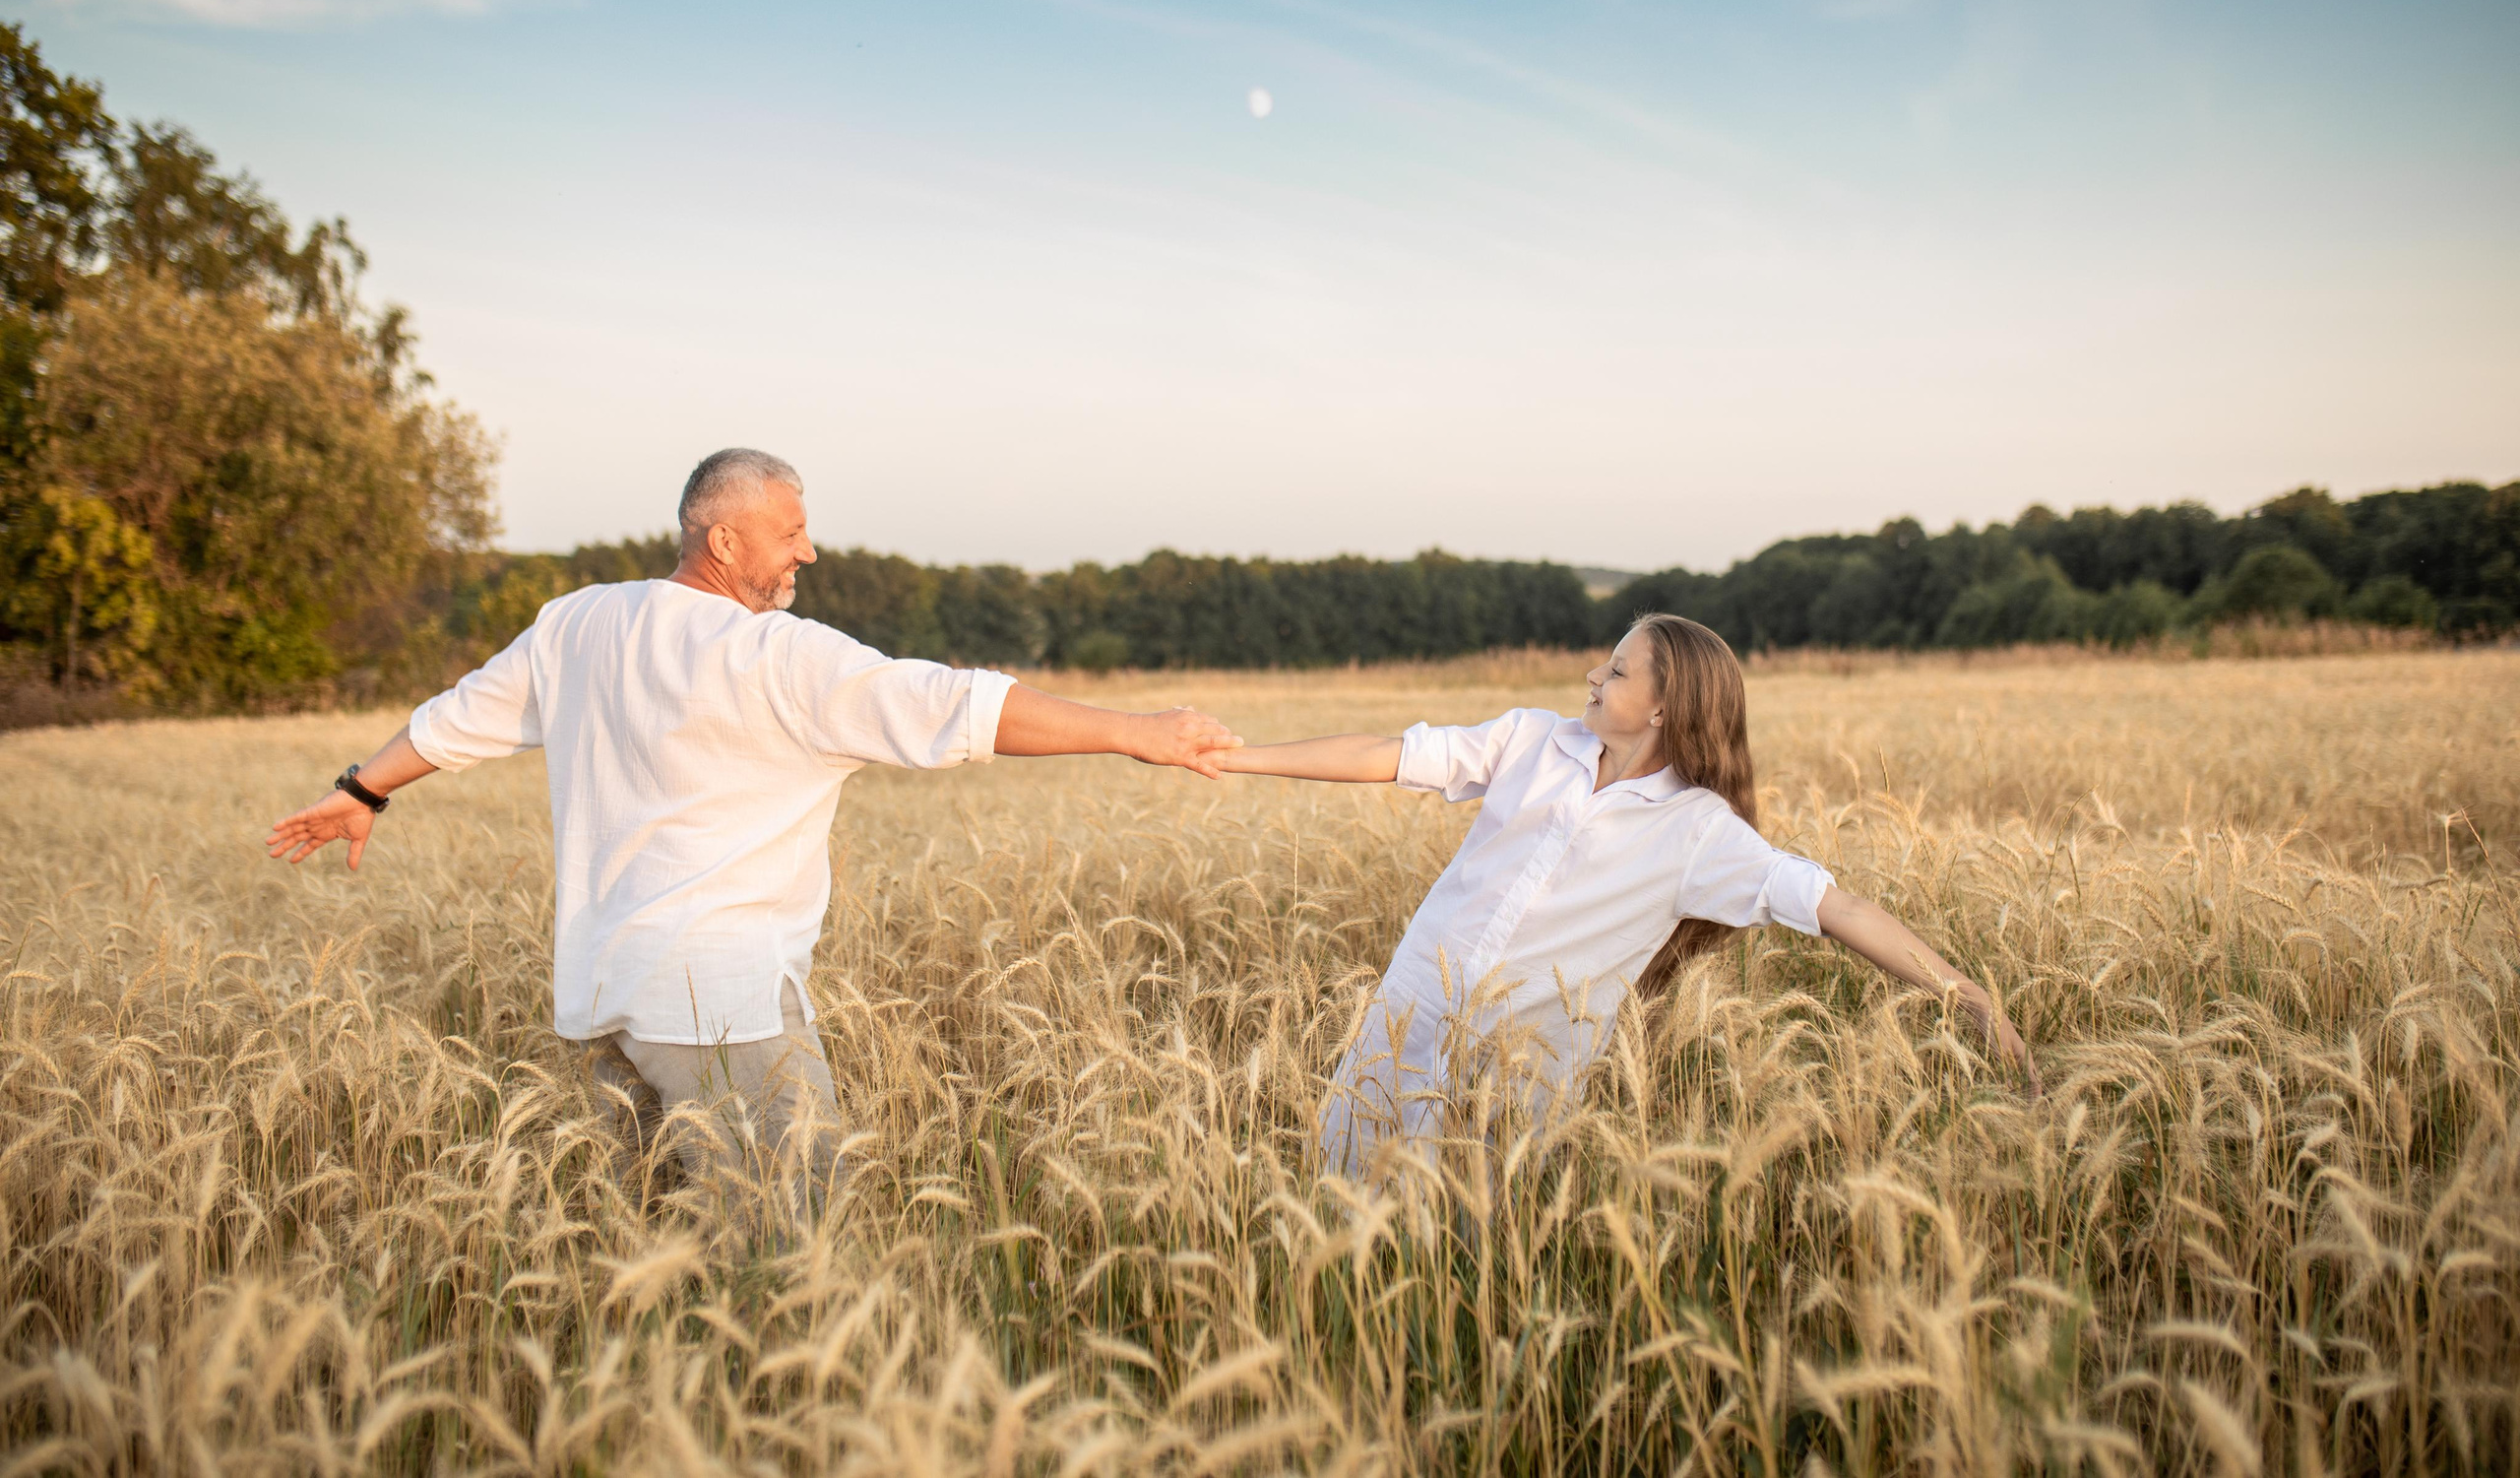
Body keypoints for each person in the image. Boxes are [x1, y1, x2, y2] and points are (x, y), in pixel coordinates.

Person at [265, 448, 1239, 1221]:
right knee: (791, 1242)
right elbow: (954, 705)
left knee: (652, 1234)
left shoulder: (578, 625)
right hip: (721, 1005)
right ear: (723, 542)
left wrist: (364, 789)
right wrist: (1134, 734)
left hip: (607, 998)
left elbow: (457, 718)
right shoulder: (779, 656)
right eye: (792, 531)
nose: (808, 552)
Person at [1214, 612, 2040, 1178]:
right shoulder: (1531, 740)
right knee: (1338, 1211)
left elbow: (1841, 909)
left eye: (1615, 669)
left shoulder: (1700, 833)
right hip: (1402, 1030)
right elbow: (1389, 754)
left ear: (1665, 702)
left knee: (1461, 1275)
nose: (1592, 674)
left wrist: (1970, 998)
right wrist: (1229, 759)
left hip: (1507, 1090)